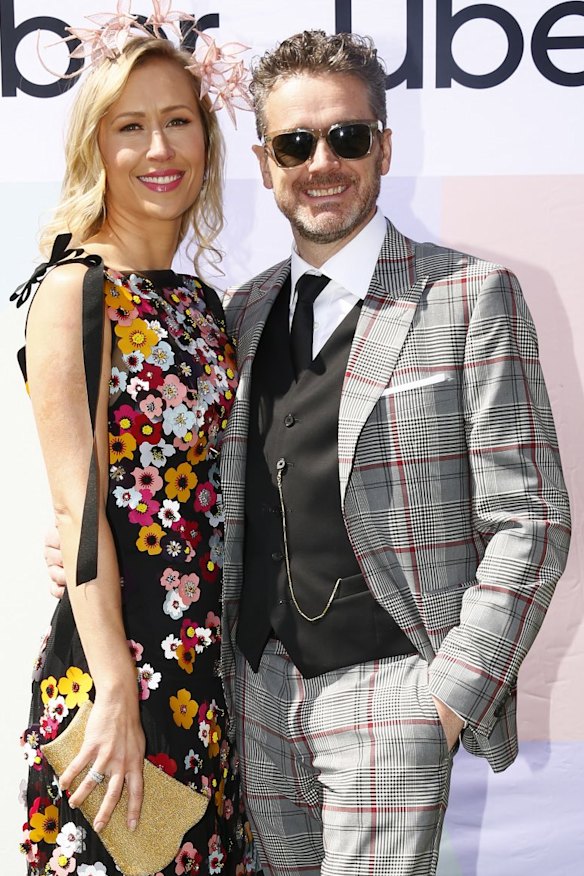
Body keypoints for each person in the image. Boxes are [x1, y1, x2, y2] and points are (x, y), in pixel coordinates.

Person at [45, 27, 571, 876]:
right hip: (250, 703)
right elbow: (185, 488)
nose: (321, 161)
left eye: (347, 137)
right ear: (264, 161)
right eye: (296, 142)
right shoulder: (240, 314)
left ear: (384, 146)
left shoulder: (469, 297)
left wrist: (446, 696)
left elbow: (533, 520)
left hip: (393, 697)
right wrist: (88, 536)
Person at [17, 20, 259, 876]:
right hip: (126, 674)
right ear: (96, 144)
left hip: (210, 672)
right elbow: (79, 509)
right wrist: (117, 687)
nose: (159, 148)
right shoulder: (76, 291)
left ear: (207, 136)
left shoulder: (199, 301)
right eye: (130, 125)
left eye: (179, 120)